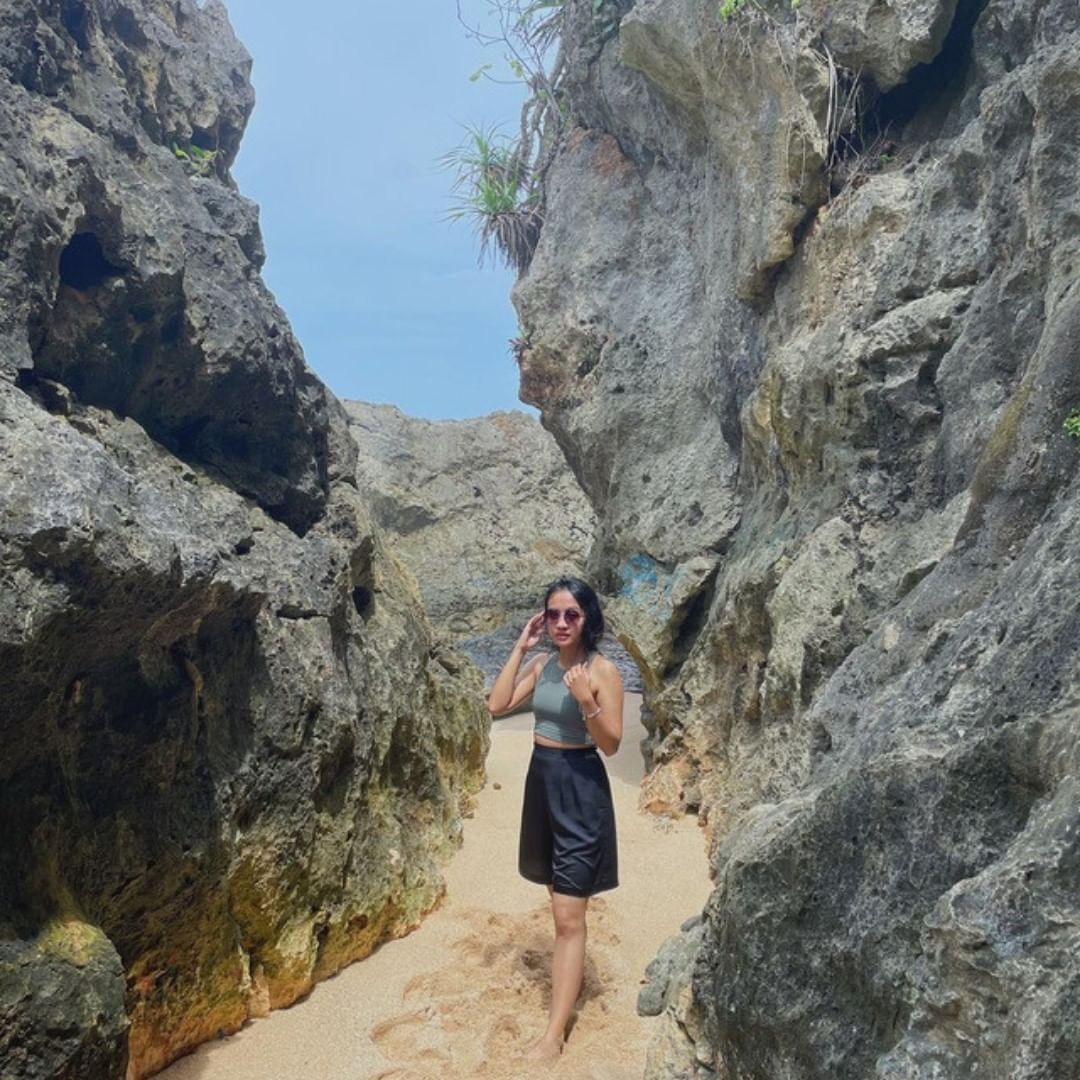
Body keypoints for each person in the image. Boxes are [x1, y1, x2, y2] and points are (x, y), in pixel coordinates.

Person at [486, 577, 624, 1063]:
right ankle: (570, 978)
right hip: (541, 783)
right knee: (557, 899)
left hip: (581, 787)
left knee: (568, 916)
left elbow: (610, 744)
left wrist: (587, 700)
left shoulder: (603, 670)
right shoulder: (542, 663)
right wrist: (521, 649)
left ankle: (554, 1033)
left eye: (571, 615)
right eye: (553, 615)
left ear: (587, 619)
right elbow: (497, 704)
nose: (561, 623)